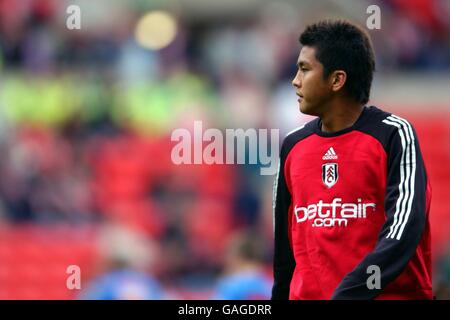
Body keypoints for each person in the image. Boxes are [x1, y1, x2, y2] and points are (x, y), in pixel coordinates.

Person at [272, 20, 432, 300]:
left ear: (337, 80)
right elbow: (285, 253)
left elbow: (405, 228)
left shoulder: (393, 135)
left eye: (305, 69)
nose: (295, 80)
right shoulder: (293, 146)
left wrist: (349, 293)